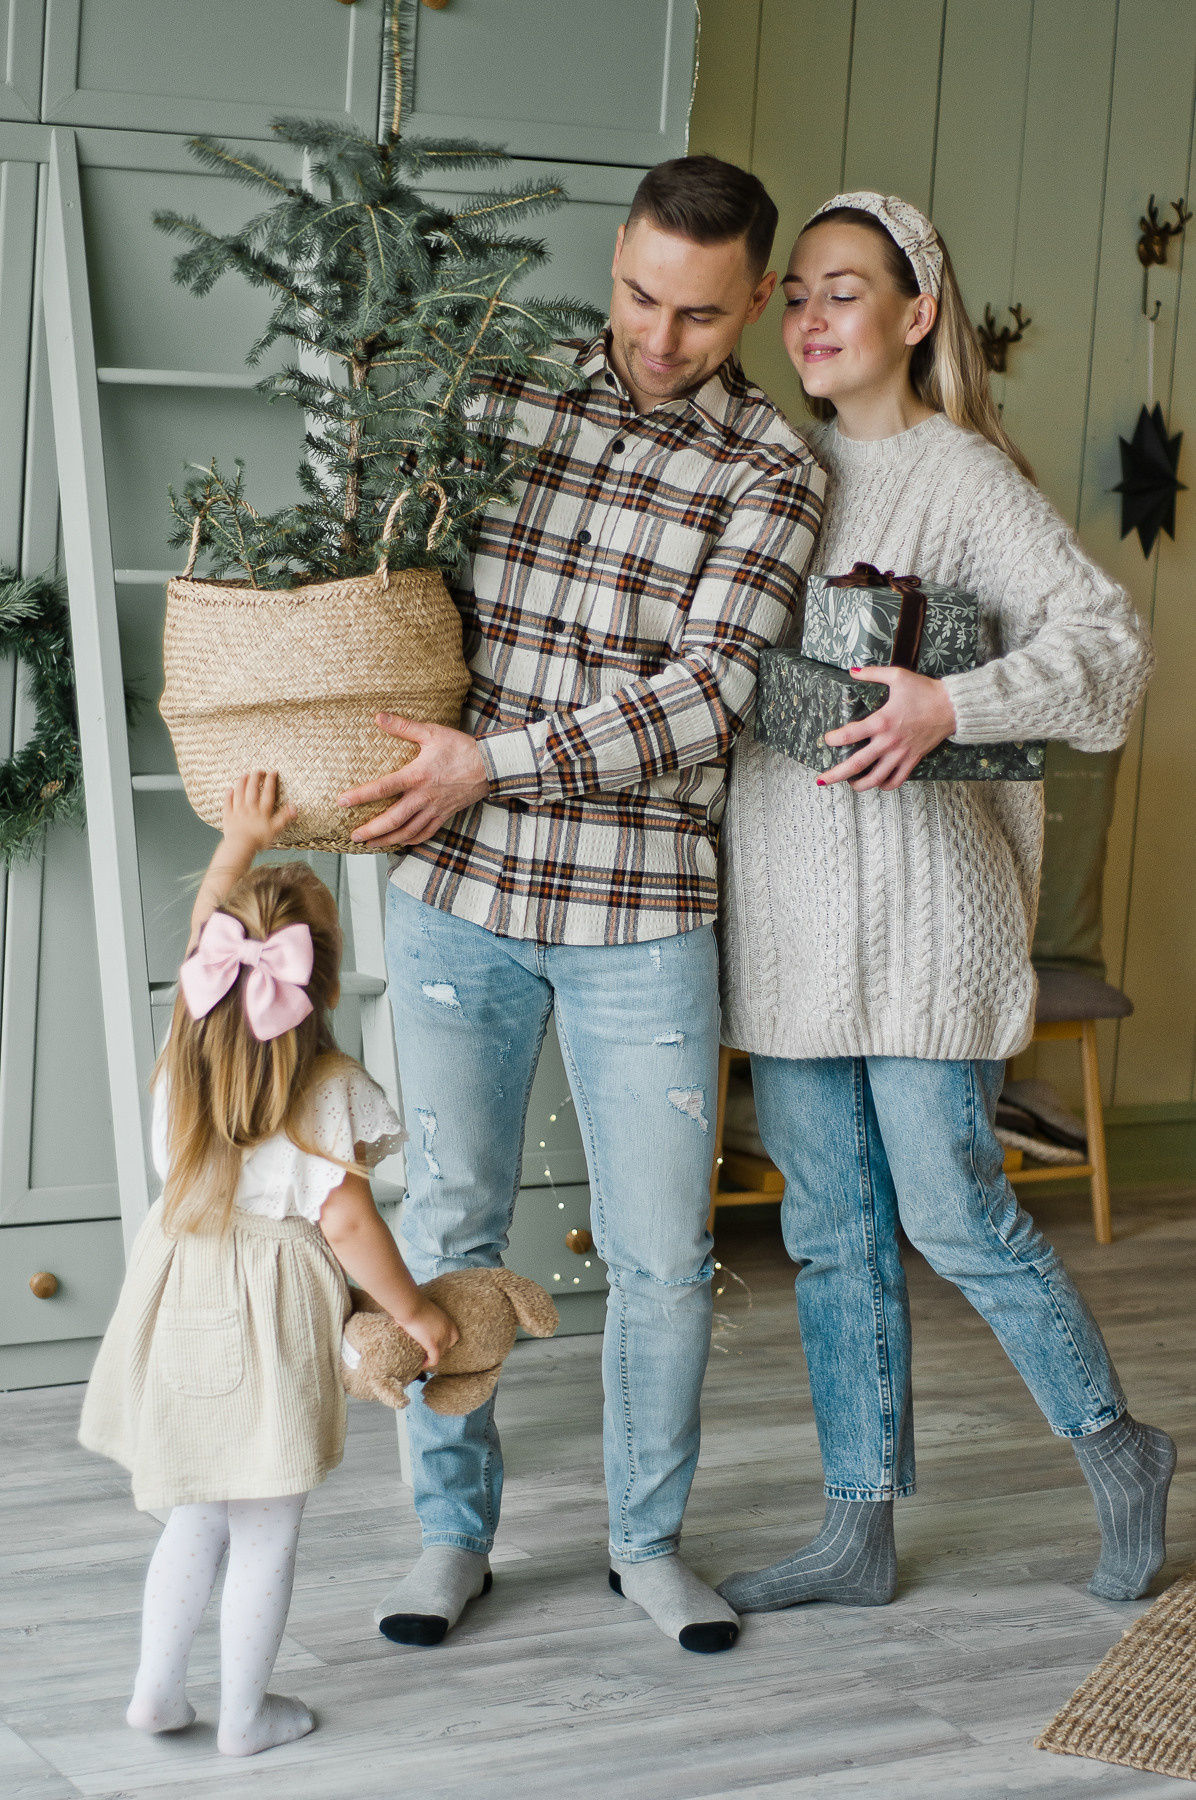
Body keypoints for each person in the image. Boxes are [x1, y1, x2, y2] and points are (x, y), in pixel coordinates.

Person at [337, 156, 825, 1654]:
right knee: (453, 1218)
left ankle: (646, 1542)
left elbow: (706, 695)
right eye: (636, 295)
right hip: (456, 897)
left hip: (645, 911)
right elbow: (406, 584)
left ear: (752, 300)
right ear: (613, 255)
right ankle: (447, 1537)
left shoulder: (773, 470)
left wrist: (495, 758)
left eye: (696, 315)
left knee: (665, 1254)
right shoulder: (499, 391)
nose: (657, 339)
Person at [716, 190, 1173, 1616]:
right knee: (829, 1230)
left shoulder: (964, 479)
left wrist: (949, 699)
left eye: (842, 290)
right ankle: (860, 1530)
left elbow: (1111, 650)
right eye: (795, 291)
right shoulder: (767, 471)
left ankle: (1122, 1451)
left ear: (917, 317)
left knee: (956, 1211)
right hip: (790, 919)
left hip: (926, 915)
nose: (809, 316)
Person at [79, 771, 457, 1755]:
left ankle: (155, 1695)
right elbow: (349, 1229)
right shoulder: (330, 1089)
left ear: (210, 965)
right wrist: (414, 1313)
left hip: (179, 1286)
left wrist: (236, 844)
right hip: (268, 1310)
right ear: (320, 986)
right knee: (267, 1528)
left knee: (194, 1514)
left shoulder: (184, 1054)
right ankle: (245, 1717)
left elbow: (213, 927)